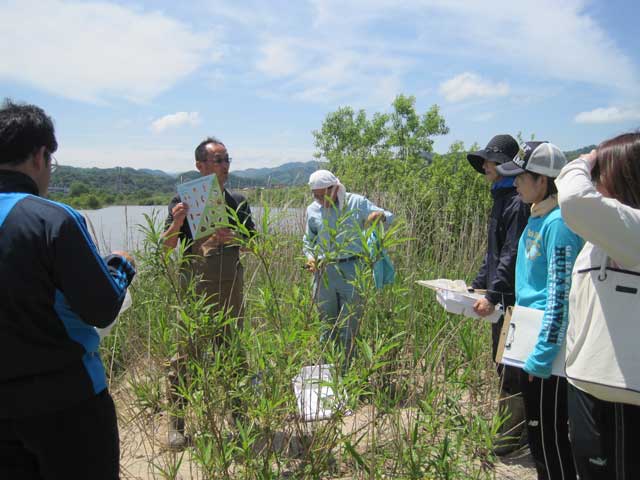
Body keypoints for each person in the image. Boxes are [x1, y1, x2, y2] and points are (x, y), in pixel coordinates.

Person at [0, 99, 135, 479]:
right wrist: (122, 264)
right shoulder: (52, 219)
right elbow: (102, 307)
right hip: (66, 403)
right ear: (41, 156)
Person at [161, 136, 255, 449]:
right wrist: (176, 222)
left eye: (227, 159)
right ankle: (176, 426)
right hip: (194, 287)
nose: (225, 165)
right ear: (200, 165)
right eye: (218, 160)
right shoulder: (181, 199)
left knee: (234, 353)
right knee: (184, 358)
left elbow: (254, 243)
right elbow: (166, 247)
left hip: (231, 287)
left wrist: (234, 235)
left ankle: (239, 419)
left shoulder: (237, 200)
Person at [556, 133, 640, 479]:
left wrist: (583, 160)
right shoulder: (602, 238)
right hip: (588, 386)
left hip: (624, 397)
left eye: (599, 174)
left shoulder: (632, 229)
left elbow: (574, 198)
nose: (593, 182)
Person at [497, 141, 582, 479]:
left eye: (521, 177)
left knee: (550, 436)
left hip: (547, 348)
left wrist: (543, 355)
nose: (515, 184)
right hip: (528, 337)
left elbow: (559, 294)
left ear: (543, 181)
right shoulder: (536, 218)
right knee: (537, 434)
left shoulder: (558, 225)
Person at [467, 134, 530, 454]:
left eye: (489, 161)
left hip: (513, 300)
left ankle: (511, 436)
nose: (485, 167)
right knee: (502, 362)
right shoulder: (501, 197)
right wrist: (476, 284)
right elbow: (492, 254)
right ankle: (511, 429)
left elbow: (512, 253)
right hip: (500, 296)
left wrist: (492, 294)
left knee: (511, 366)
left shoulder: (517, 202)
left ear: (505, 165)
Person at [303, 170, 393, 369]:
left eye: (322, 195)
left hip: (352, 269)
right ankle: (327, 369)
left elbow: (388, 215)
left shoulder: (356, 202)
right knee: (326, 324)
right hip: (324, 272)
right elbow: (308, 240)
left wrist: (380, 217)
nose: (319, 200)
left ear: (334, 188)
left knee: (350, 324)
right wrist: (310, 258)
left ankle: (346, 371)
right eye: (315, 195)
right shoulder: (313, 210)